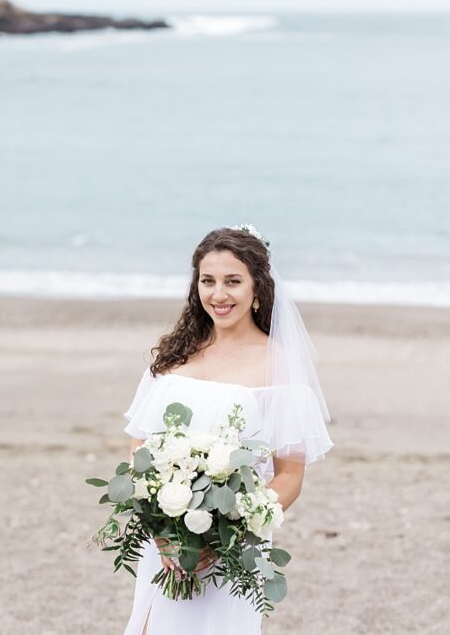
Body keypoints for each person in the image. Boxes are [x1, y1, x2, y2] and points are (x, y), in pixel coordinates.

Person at [122, 226, 332, 633]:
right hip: (164, 544)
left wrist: (223, 535)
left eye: (233, 281)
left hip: (232, 550)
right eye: (208, 281)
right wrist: (162, 527)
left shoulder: (280, 366)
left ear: (258, 289)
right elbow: (139, 450)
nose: (219, 294)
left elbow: (289, 476)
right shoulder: (172, 358)